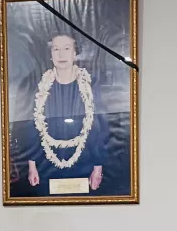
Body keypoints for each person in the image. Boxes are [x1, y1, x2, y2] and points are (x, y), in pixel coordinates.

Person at [10, 32, 123, 199]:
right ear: (50, 55)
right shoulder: (36, 86)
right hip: (45, 167)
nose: (61, 54)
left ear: (75, 53)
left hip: (84, 166)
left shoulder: (91, 85)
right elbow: (29, 129)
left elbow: (101, 128)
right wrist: (32, 166)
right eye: (56, 49)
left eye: (66, 48)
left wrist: (98, 168)